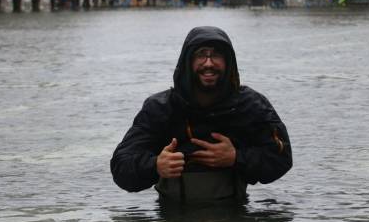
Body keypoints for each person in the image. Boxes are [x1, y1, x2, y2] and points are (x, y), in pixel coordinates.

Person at [111, 26, 292, 203]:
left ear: (229, 62)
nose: (208, 63)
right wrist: (156, 165)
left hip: (233, 218)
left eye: (216, 55)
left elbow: (281, 158)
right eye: (201, 55)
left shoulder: (251, 105)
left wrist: (236, 157)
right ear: (187, 62)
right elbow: (120, 166)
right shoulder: (160, 108)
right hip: (172, 220)